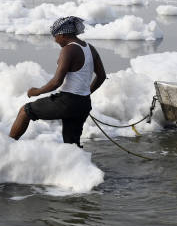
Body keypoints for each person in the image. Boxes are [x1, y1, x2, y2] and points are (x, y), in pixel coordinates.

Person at [9, 16, 106, 147]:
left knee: (25, 111)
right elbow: (101, 76)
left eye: (55, 36)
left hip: (67, 102)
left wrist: (36, 91)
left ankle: (7, 147)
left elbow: (56, 82)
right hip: (83, 104)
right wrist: (85, 93)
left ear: (63, 34)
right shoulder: (90, 48)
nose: (55, 40)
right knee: (72, 145)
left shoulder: (68, 49)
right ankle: (79, 165)